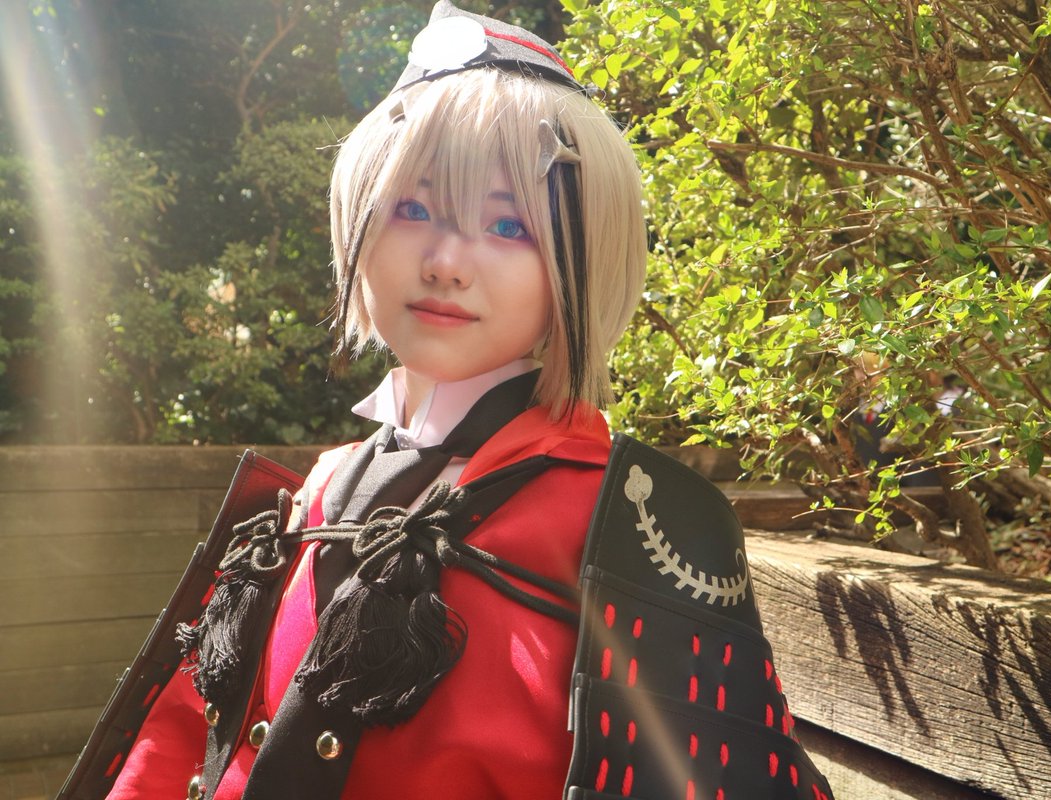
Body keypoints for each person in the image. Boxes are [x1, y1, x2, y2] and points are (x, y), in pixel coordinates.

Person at [77, 3, 834, 799]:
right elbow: (181, 741)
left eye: (507, 226)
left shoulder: (635, 522)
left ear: (580, 265)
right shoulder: (318, 489)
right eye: (412, 209)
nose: (444, 261)